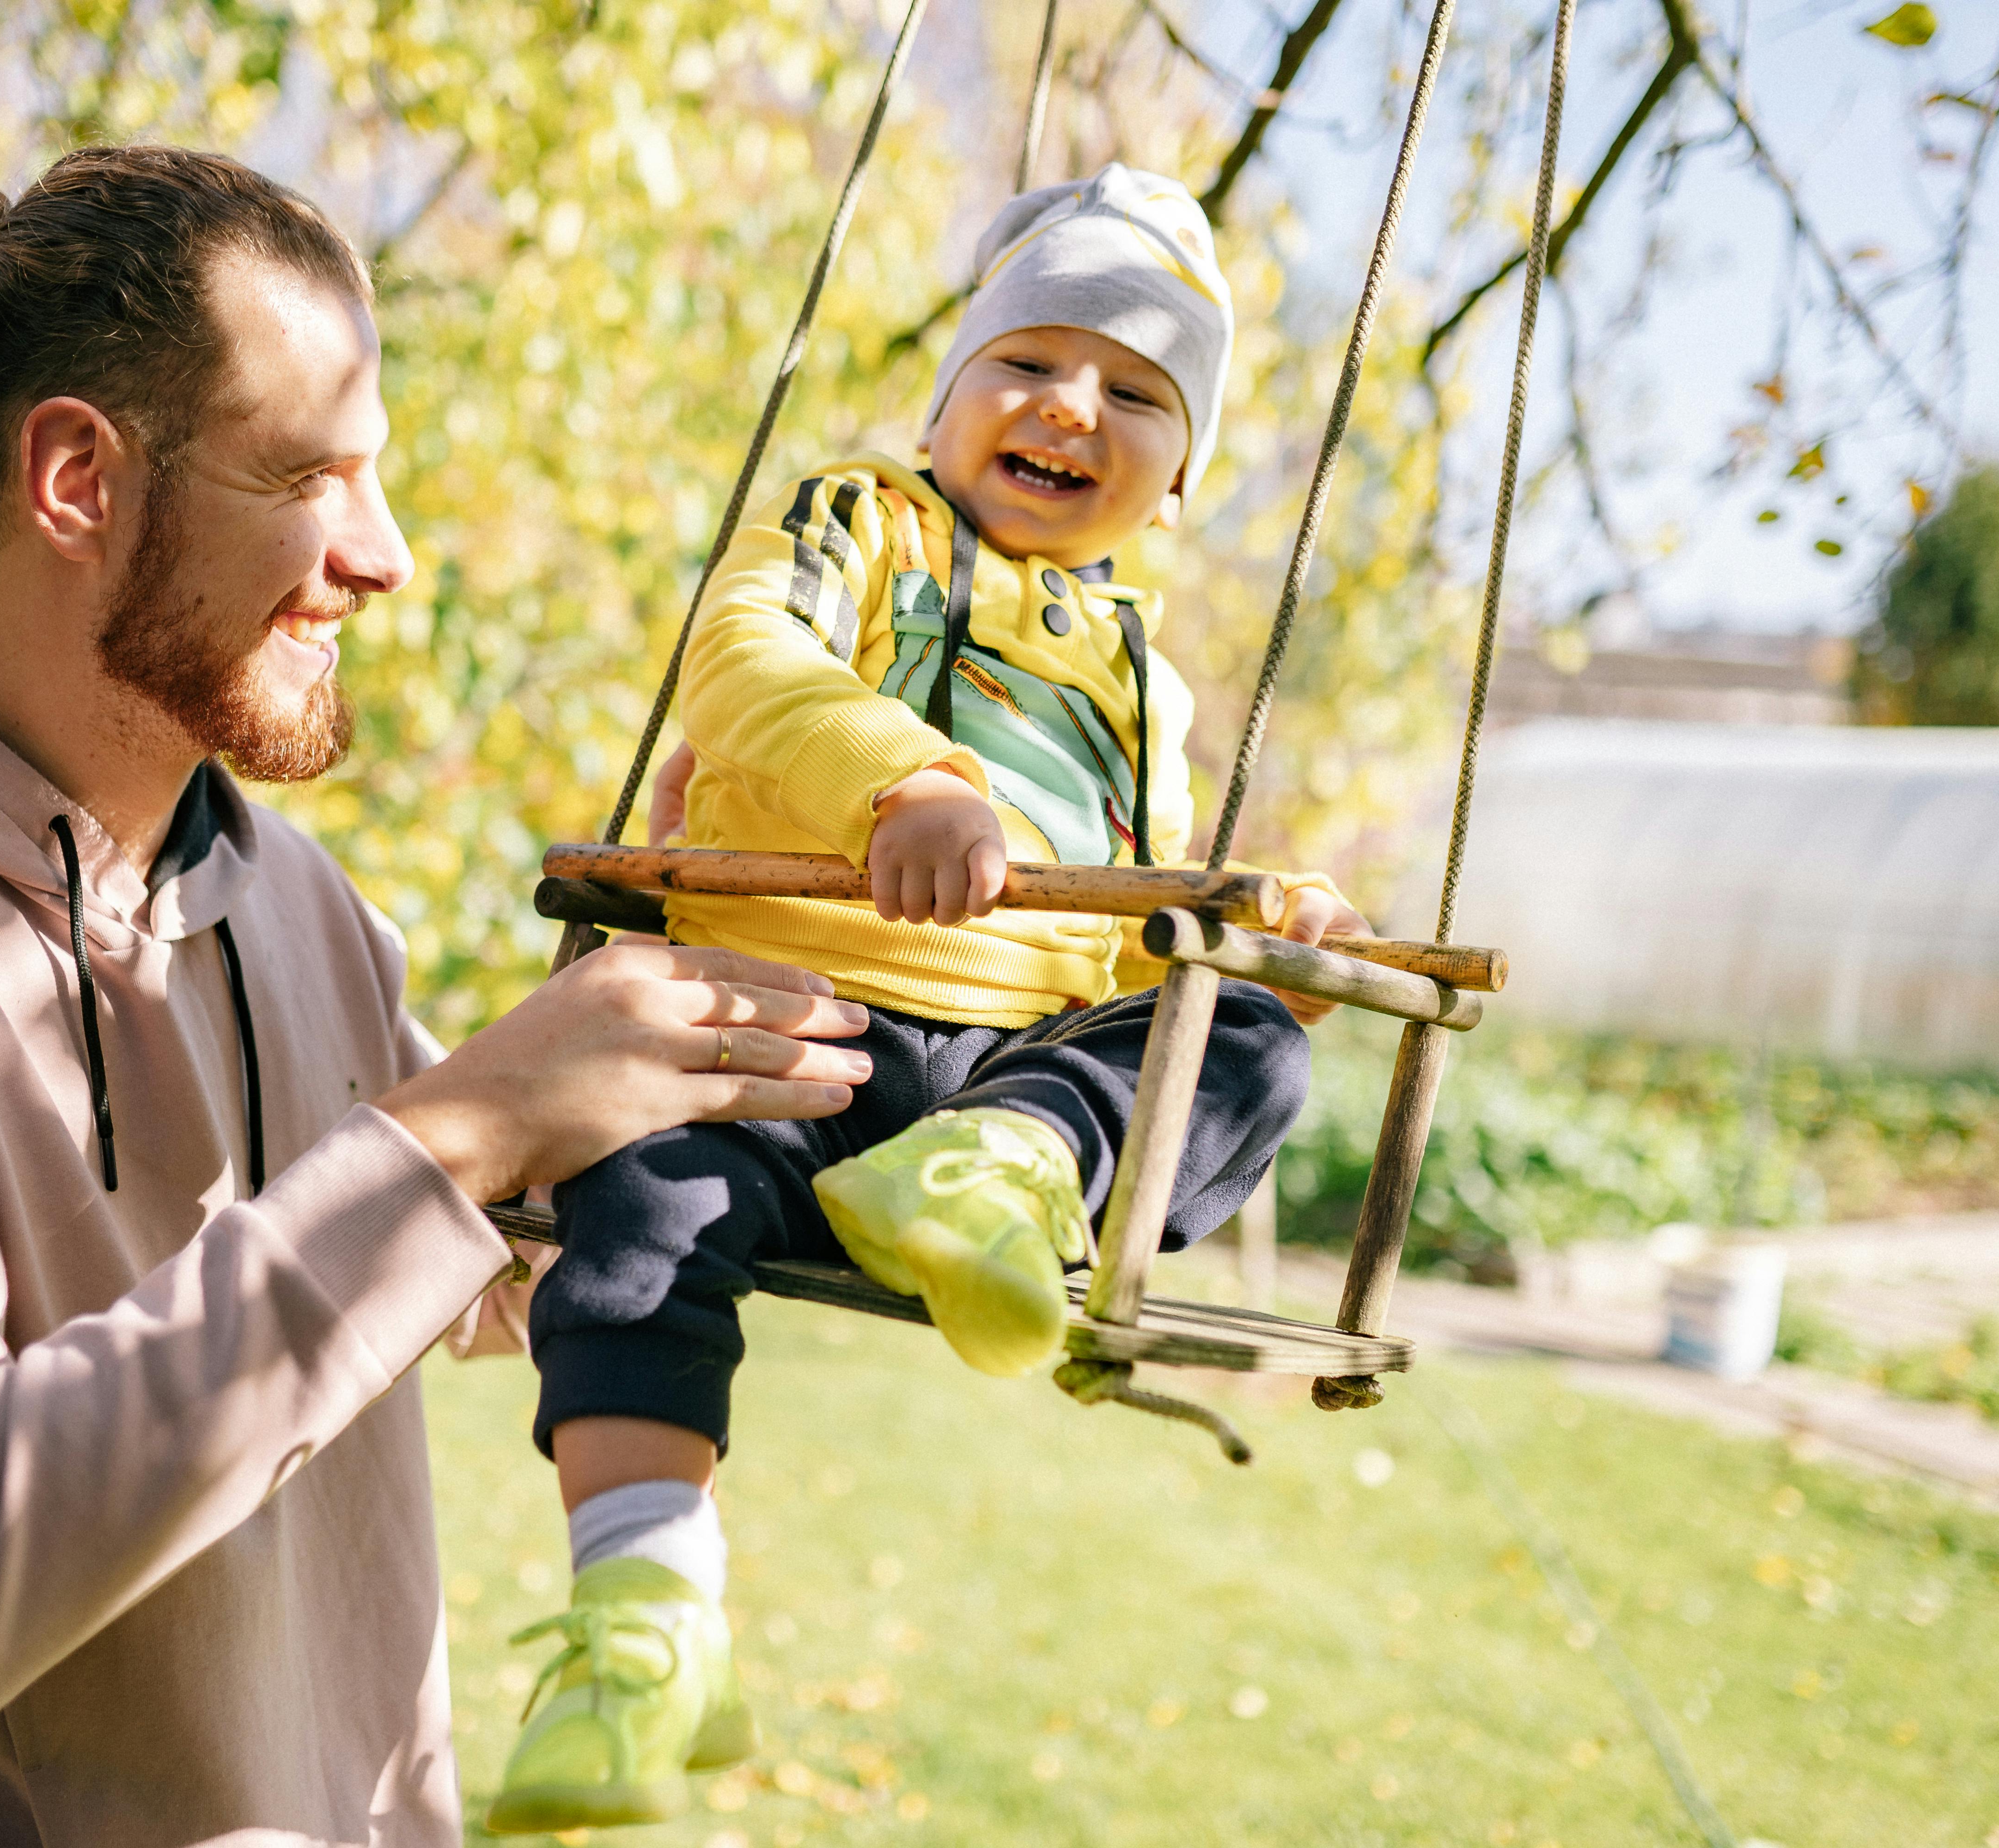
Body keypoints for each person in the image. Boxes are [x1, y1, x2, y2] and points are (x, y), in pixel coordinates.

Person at [0, 146, 876, 1848]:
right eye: (310, 477)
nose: (387, 557)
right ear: (74, 479)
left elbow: (443, 1270)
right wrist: (461, 1129)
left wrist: (706, 1068)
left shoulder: (293, 900)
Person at [485, 164, 1369, 1835]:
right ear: (947, 401)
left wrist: (1245, 933)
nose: (1069, 407)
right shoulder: (865, 529)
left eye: (1134, 394)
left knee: (1238, 1038)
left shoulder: (1144, 686)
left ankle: (1008, 1171)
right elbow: (744, 659)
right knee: (636, 1209)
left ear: (1174, 488)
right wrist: (907, 782)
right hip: (784, 1027)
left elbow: (1122, 945)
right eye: (1028, 363)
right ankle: (643, 1621)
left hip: (998, 1074)